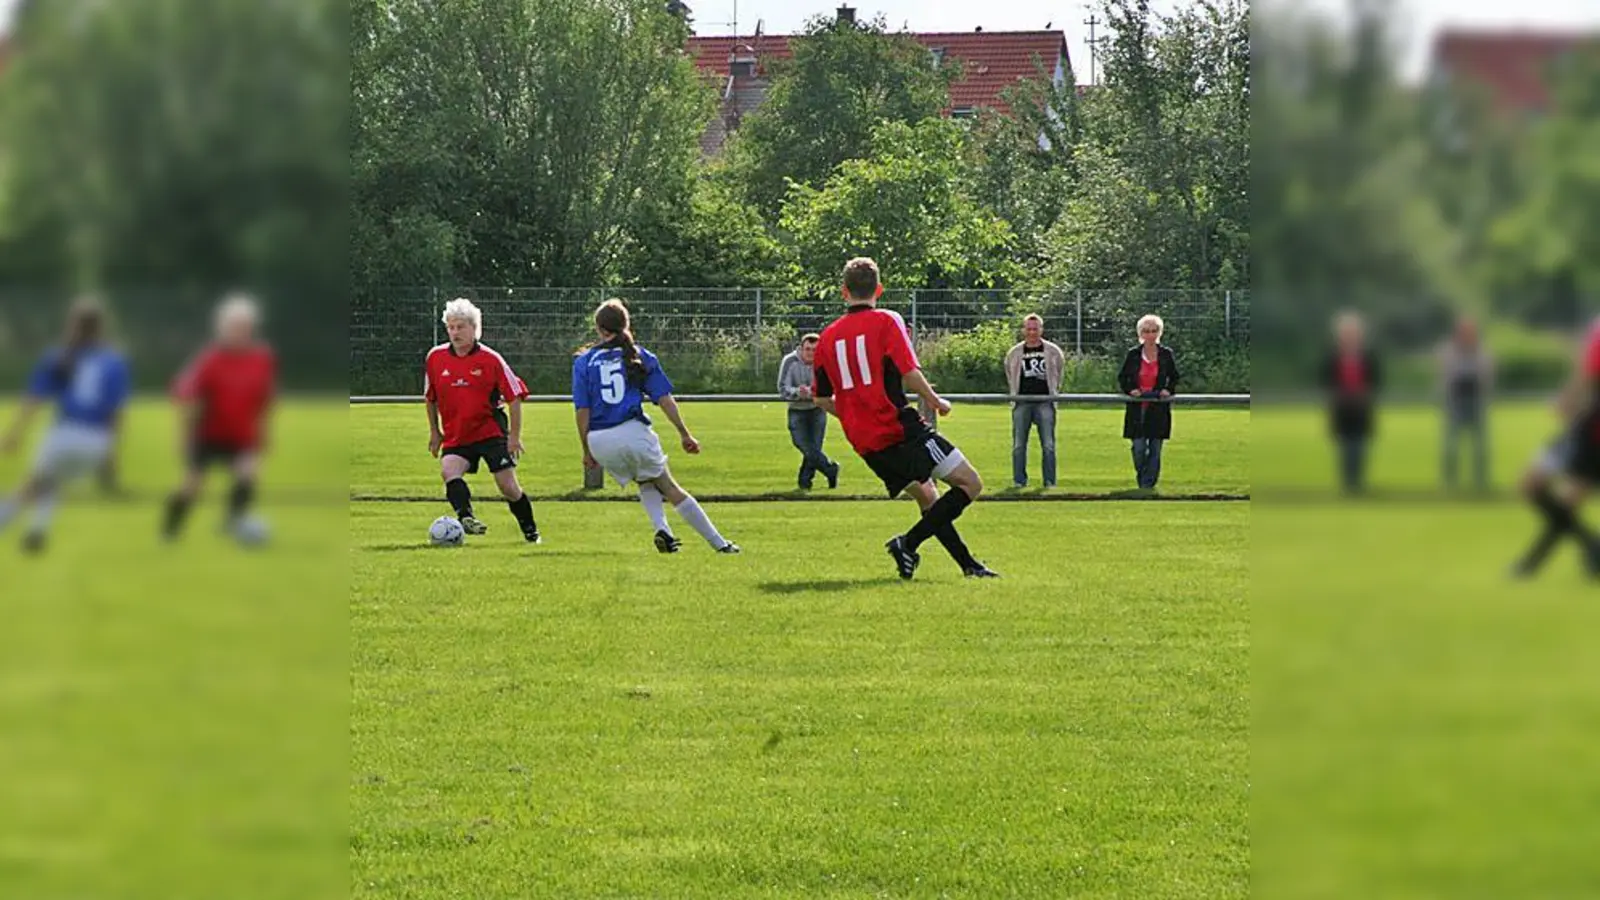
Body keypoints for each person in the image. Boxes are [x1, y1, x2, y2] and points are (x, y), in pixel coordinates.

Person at [812, 257, 998, 580]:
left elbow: (820, 398)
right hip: (898, 429)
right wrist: (936, 402)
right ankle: (907, 543)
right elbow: (909, 373)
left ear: (844, 291)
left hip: (865, 441)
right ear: (879, 290)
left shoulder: (827, 337)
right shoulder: (887, 320)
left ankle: (968, 565)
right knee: (970, 483)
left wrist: (855, 416)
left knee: (928, 497)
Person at [574, 298, 739, 554]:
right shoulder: (639, 355)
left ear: (599, 328)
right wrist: (684, 433)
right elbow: (664, 398)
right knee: (669, 486)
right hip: (632, 431)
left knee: (645, 480)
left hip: (599, 440)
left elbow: (582, 410)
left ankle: (663, 531)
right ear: (626, 324)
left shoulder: (584, 362)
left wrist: (587, 450)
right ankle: (720, 544)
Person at [0, 297, 131, 553]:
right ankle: (38, 531)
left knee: (30, 486)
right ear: (102, 327)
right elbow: (116, 412)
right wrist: (111, 452)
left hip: (64, 434)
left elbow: (34, 399)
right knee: (50, 480)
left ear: (72, 324)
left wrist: (15, 433)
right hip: (96, 441)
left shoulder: (59, 356)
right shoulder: (115, 361)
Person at [162, 293, 279, 542]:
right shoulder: (209, 360)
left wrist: (265, 434)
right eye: (234, 326)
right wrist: (184, 436)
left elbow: (265, 400)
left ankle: (233, 522)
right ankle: (169, 530)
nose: (239, 332)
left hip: (241, 435)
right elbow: (184, 395)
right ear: (222, 327)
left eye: (244, 326)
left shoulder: (262, 359)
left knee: (248, 472)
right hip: (208, 434)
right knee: (192, 485)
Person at [423, 297, 541, 543]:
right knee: (449, 470)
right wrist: (435, 432)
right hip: (457, 434)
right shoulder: (435, 358)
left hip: (490, 432)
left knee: (508, 487)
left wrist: (514, 437)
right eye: (451, 327)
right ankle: (466, 517)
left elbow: (515, 397)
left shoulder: (491, 359)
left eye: (460, 327)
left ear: (474, 328)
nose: (455, 332)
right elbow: (430, 398)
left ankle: (531, 532)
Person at [1510, 315, 1600, 579]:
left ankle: (1529, 565)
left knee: (1555, 494)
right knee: (1537, 487)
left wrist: (1567, 401)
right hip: (1584, 425)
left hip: (1591, 429)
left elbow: (1586, 376)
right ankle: (1591, 546)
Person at [1117, 314, 1180, 492]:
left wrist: (1168, 390)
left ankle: (1147, 485)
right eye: (1146, 331)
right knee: (1138, 447)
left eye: (1154, 331)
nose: (1150, 335)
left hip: (1158, 406)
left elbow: (1174, 377)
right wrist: (1131, 390)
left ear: (1159, 333)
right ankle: (1142, 476)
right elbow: (1122, 377)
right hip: (1137, 407)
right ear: (1140, 333)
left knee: (1155, 448)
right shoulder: (1133, 354)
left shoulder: (1166, 354)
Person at [1320, 311, 1381, 495]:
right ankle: (1348, 482)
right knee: (1345, 446)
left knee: (1359, 446)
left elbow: (1375, 380)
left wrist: (1367, 395)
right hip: (1342, 408)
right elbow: (1327, 380)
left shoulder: (1367, 356)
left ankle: (1357, 482)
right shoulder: (1333, 357)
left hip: (1361, 408)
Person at [1004, 314, 1064, 488]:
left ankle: (1049, 482)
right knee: (1019, 445)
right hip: (1021, 402)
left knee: (1048, 445)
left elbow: (1059, 373)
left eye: (1035, 329)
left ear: (1041, 330)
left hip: (1045, 401)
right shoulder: (1014, 353)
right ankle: (1019, 481)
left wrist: (1053, 393)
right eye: (1029, 329)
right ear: (1023, 330)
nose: (1032, 332)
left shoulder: (1053, 351)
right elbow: (1010, 374)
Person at [777, 334, 839, 490]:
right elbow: (782, 388)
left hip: (818, 409)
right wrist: (798, 392)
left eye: (815, 350)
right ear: (801, 348)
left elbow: (833, 385)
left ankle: (805, 483)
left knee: (814, 449)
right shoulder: (789, 361)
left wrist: (813, 392)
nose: (811, 353)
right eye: (808, 349)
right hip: (796, 410)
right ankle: (830, 469)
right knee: (803, 445)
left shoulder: (825, 362)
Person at [1438, 315, 1493, 492]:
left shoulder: (1482, 352)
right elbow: (1445, 374)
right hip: (1456, 400)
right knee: (1451, 444)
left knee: (1479, 445)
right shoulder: (1449, 351)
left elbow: (1487, 374)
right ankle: (1450, 480)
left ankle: (1480, 480)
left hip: (1476, 400)